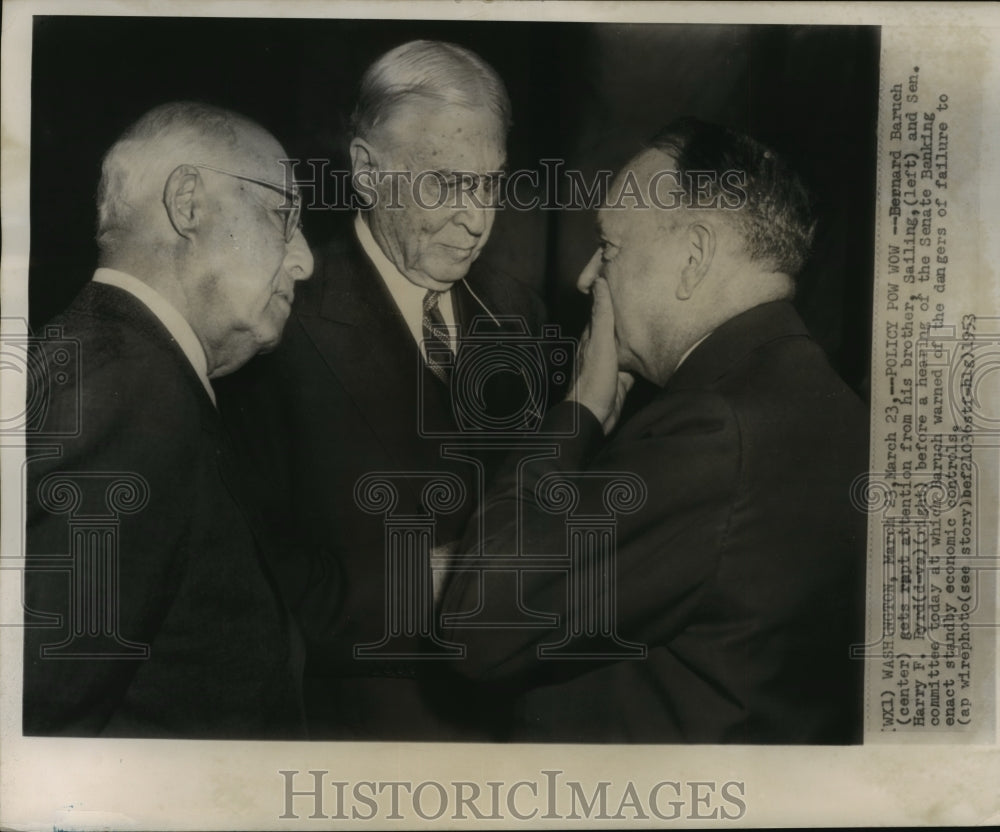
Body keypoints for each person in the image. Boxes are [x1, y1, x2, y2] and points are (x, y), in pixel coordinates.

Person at [440, 118, 869, 743]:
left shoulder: (714, 429)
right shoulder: (826, 405)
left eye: (610, 247)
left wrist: (575, 414)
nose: (589, 278)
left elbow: (478, 628)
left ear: (693, 258)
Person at [216, 40, 544, 740]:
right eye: (447, 184)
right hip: (355, 743)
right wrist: (432, 589)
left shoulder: (521, 312)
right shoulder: (276, 325)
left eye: (489, 182)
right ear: (367, 171)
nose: (478, 218)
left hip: (515, 737)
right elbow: (247, 576)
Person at [23, 101, 314, 738]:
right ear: (187, 202)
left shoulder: (98, 360)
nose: (304, 261)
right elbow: (39, 724)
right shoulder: (131, 394)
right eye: (283, 215)